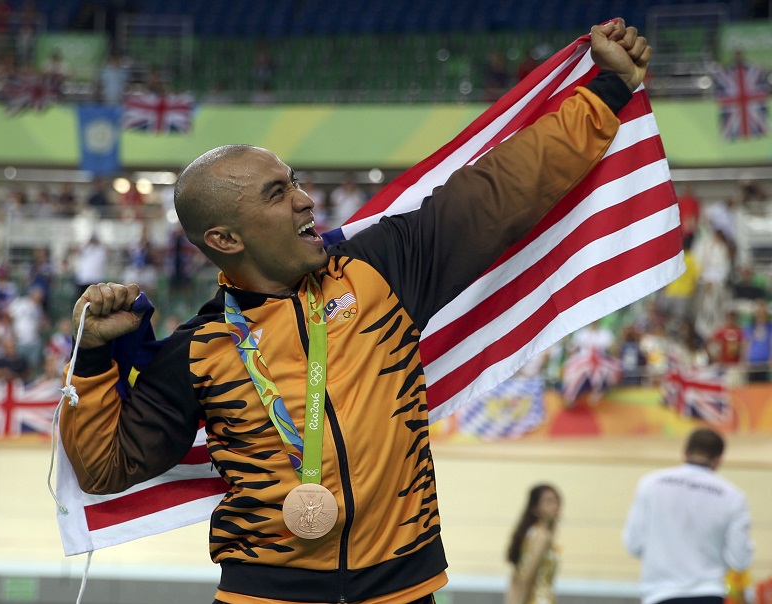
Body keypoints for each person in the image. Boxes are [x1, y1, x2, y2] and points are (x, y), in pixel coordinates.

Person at [60, 20, 651, 604]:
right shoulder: (201, 350)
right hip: (265, 596)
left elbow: (502, 187)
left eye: (292, 182)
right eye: (276, 194)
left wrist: (607, 92)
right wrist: (91, 358)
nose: (305, 200)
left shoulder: (380, 267)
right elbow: (106, 470)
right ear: (225, 239)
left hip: (403, 590)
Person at [623, 428, 754, 604]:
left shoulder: (650, 484)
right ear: (719, 459)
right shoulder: (733, 497)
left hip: (661, 594)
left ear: (685, 451)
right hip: (710, 593)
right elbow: (739, 560)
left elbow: (633, 544)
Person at [504, 484, 562, 604]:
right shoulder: (542, 535)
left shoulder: (531, 534)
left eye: (557, 500)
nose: (555, 506)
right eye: (548, 501)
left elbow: (517, 576)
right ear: (536, 508)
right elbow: (528, 576)